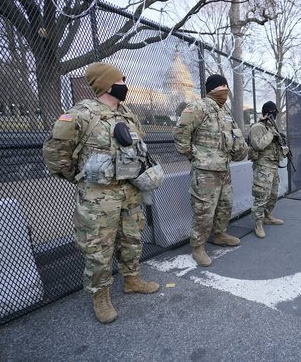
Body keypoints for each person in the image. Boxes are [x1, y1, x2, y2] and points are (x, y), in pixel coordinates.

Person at [42, 63, 160, 324]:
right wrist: (76, 176)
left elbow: (138, 147)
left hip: (130, 190)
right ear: (108, 84)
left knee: (132, 238)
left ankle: (131, 279)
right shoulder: (81, 114)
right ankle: (101, 296)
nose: (125, 84)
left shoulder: (128, 114)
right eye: (121, 79)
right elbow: (54, 152)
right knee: (99, 247)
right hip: (98, 196)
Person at [173, 74, 248, 267]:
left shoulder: (225, 112)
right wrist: (194, 156)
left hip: (224, 168)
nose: (225, 89)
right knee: (204, 210)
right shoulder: (198, 107)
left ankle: (219, 234)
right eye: (221, 85)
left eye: (226, 85)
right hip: (205, 171)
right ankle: (198, 247)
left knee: (225, 205)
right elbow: (181, 133)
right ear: (212, 88)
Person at [248, 101, 289, 238]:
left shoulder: (274, 128)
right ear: (266, 113)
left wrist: (283, 146)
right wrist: (272, 134)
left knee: (273, 194)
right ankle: (258, 223)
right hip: (262, 167)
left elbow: (276, 148)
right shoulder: (258, 127)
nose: (274, 117)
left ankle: (268, 216)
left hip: (273, 166)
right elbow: (258, 145)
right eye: (272, 114)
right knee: (261, 196)